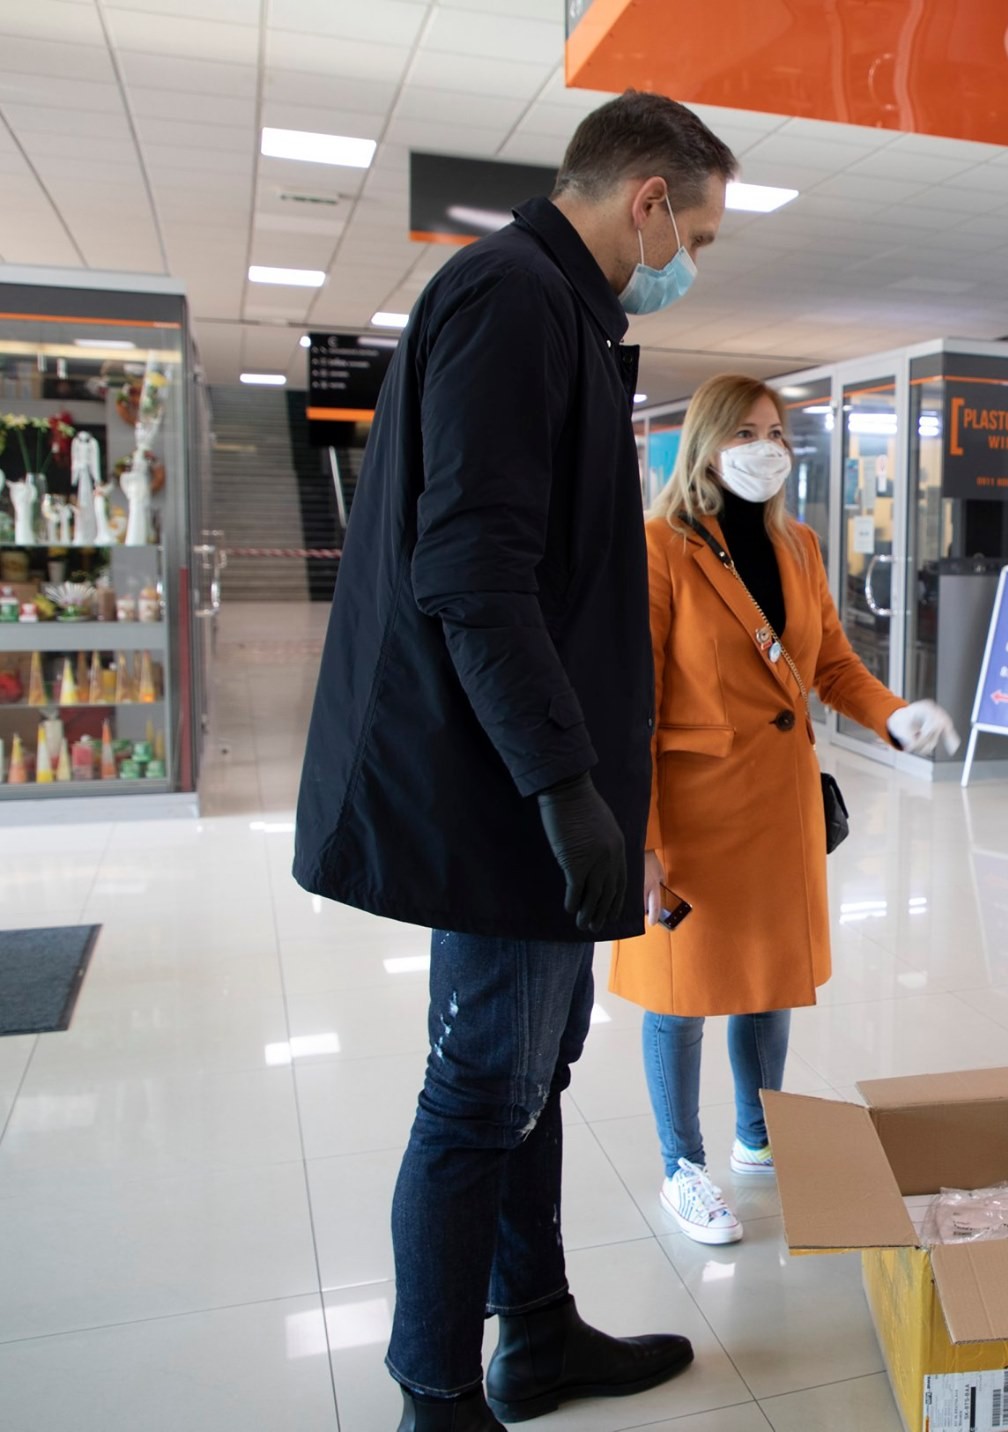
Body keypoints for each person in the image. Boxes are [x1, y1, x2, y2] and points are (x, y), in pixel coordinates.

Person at [294, 93, 738, 1432]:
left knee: (531, 1079)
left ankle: (535, 1333)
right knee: (482, 1089)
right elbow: (474, 574)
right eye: (696, 235)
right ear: (646, 198)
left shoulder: (564, 316)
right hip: (501, 789)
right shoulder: (513, 299)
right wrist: (562, 787)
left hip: (532, 778)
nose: (690, 261)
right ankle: (435, 1395)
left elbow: (559, 581)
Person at [612, 373, 957, 1246]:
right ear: (706, 444)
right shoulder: (657, 546)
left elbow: (829, 663)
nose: (767, 448)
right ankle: (682, 1167)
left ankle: (759, 1137)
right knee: (681, 995)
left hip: (778, 804)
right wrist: (639, 840)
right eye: (746, 433)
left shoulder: (797, 544)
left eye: (776, 433)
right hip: (690, 815)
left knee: (768, 983)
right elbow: (630, 704)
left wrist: (892, 715)